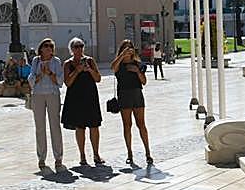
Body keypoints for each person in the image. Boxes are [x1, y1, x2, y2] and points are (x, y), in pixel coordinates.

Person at [62, 37, 104, 167]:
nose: (79, 49)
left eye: (81, 46)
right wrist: (77, 71)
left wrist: (89, 70)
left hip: (90, 95)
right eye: (76, 47)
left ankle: (96, 154)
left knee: (94, 125)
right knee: (80, 127)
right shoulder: (68, 64)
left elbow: (98, 79)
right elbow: (67, 82)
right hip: (76, 97)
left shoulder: (90, 61)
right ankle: (82, 155)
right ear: (72, 49)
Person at [111, 39, 153, 168]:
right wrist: (121, 56)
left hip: (137, 94)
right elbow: (113, 68)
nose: (128, 50)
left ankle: (148, 152)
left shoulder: (138, 64)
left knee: (141, 124)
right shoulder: (119, 64)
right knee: (127, 125)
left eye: (130, 48)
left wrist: (137, 71)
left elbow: (144, 82)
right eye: (125, 48)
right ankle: (129, 152)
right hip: (124, 95)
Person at [28, 38, 66, 172]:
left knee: (54, 125)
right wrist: (40, 74)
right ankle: (41, 157)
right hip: (38, 95)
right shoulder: (35, 61)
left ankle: (58, 156)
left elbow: (60, 81)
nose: (49, 48)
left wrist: (50, 73)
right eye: (46, 46)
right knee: (40, 127)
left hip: (52, 94)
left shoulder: (56, 61)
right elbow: (31, 79)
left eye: (51, 46)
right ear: (41, 48)